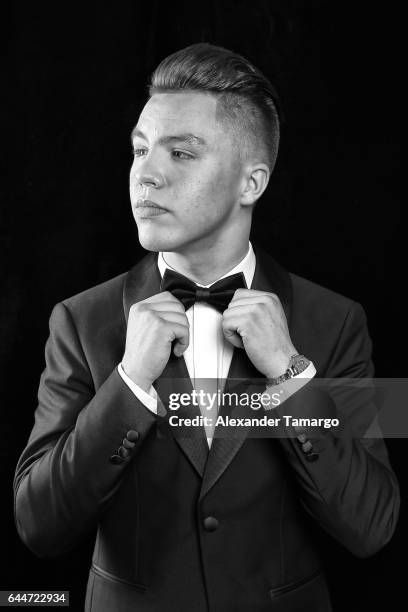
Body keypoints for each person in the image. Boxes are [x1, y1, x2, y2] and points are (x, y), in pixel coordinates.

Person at [14, 43, 400, 612]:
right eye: (140, 150)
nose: (145, 174)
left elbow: (373, 525)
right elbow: (37, 525)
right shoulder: (78, 321)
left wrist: (291, 379)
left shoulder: (338, 322)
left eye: (181, 153)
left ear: (252, 183)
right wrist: (129, 383)